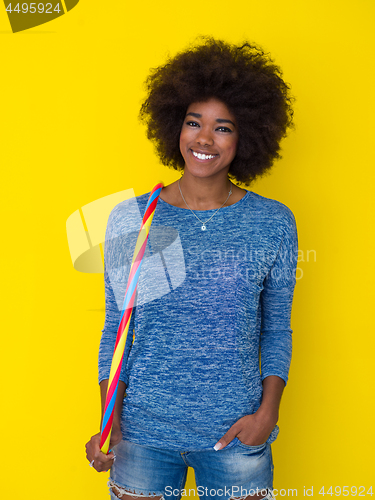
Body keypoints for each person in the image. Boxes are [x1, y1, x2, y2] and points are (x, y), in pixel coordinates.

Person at [86, 37, 298, 500]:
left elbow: (276, 328)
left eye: (223, 127)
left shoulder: (273, 222)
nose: (204, 139)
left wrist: (268, 414)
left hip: (235, 437)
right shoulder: (133, 219)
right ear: (174, 127)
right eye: (193, 122)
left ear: (246, 137)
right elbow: (116, 327)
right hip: (142, 436)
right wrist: (110, 420)